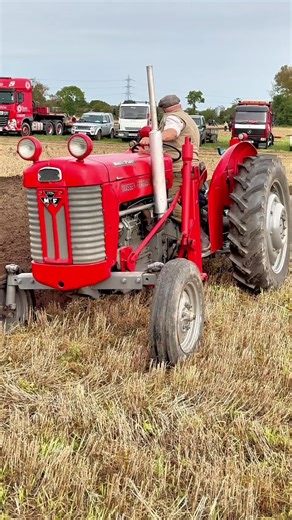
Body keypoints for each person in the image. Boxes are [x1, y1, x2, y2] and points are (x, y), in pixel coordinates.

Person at [139, 94, 210, 253]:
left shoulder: (173, 118)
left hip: (178, 169)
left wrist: (152, 138)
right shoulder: (186, 117)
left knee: (166, 204)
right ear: (179, 104)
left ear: (164, 109)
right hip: (185, 167)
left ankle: (198, 234)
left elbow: (172, 133)